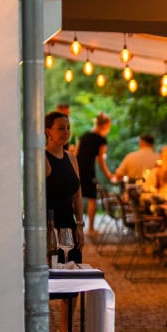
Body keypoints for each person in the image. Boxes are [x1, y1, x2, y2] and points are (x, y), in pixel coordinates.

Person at [46, 111, 85, 262]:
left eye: (68, 128)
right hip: (51, 229)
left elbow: (77, 194)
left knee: (73, 269)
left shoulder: (72, 157)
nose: (66, 132)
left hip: (70, 227)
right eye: (61, 128)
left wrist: (79, 224)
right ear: (48, 131)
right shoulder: (42, 159)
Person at [75, 112, 113, 234]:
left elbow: (76, 154)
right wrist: (108, 174)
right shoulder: (101, 139)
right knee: (92, 198)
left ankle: (75, 227)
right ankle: (91, 229)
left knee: (75, 197)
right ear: (104, 125)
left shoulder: (84, 136)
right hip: (88, 170)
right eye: (108, 126)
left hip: (77, 169)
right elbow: (101, 160)